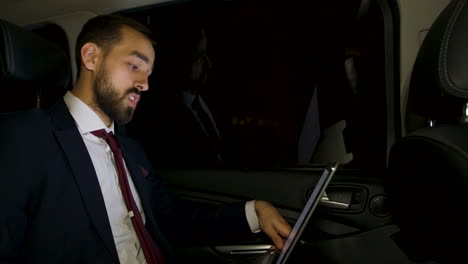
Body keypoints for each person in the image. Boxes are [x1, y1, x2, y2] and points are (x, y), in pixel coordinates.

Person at [0, 15, 291, 263]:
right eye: (134, 66)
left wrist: (252, 211)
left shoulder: (130, 148)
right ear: (91, 57)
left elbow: (170, 219)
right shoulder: (23, 135)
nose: (145, 84)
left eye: (149, 73)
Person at [128, 25, 224, 169]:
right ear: (180, 60)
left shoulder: (215, 103)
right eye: (199, 57)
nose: (208, 64)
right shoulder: (159, 113)